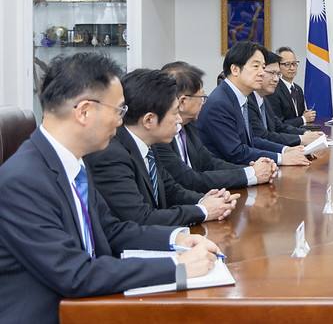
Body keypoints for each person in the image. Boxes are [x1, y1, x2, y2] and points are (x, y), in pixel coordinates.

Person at [0, 53, 221, 323]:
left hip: (89, 305)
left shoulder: (72, 163)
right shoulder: (22, 181)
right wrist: (177, 266)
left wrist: (176, 240)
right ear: (84, 112)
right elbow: (74, 274)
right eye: (119, 110)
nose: (121, 122)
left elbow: (111, 230)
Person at [86, 69, 239, 226]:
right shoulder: (111, 156)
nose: (179, 119)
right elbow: (141, 218)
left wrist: (206, 200)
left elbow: (170, 189)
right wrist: (203, 210)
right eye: (174, 113)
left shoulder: (149, 143)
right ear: (149, 120)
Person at [154, 62, 277, 193]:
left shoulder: (189, 125)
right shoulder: (160, 137)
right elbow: (190, 180)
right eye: (202, 97)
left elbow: (209, 162)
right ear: (183, 102)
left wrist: (251, 169)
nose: (204, 103)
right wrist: (251, 174)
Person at [196, 41, 309, 166]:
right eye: (256, 66)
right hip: (227, 178)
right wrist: (282, 158)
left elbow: (252, 141)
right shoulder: (220, 103)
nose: (261, 72)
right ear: (235, 69)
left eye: (263, 67)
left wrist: (286, 150)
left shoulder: (238, 98)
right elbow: (236, 152)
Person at [248, 50, 324, 146]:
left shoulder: (263, 99)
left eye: (278, 74)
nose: (276, 79)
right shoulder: (249, 101)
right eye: (272, 73)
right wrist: (300, 139)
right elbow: (263, 137)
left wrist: (305, 134)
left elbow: (279, 126)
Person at [268, 46, 316, 127]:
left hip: (300, 132)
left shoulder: (298, 89)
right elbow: (278, 124)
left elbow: (299, 116)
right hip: (284, 137)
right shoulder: (273, 88)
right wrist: (303, 119)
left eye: (294, 64)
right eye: (287, 64)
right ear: (277, 66)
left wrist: (305, 115)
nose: (292, 68)